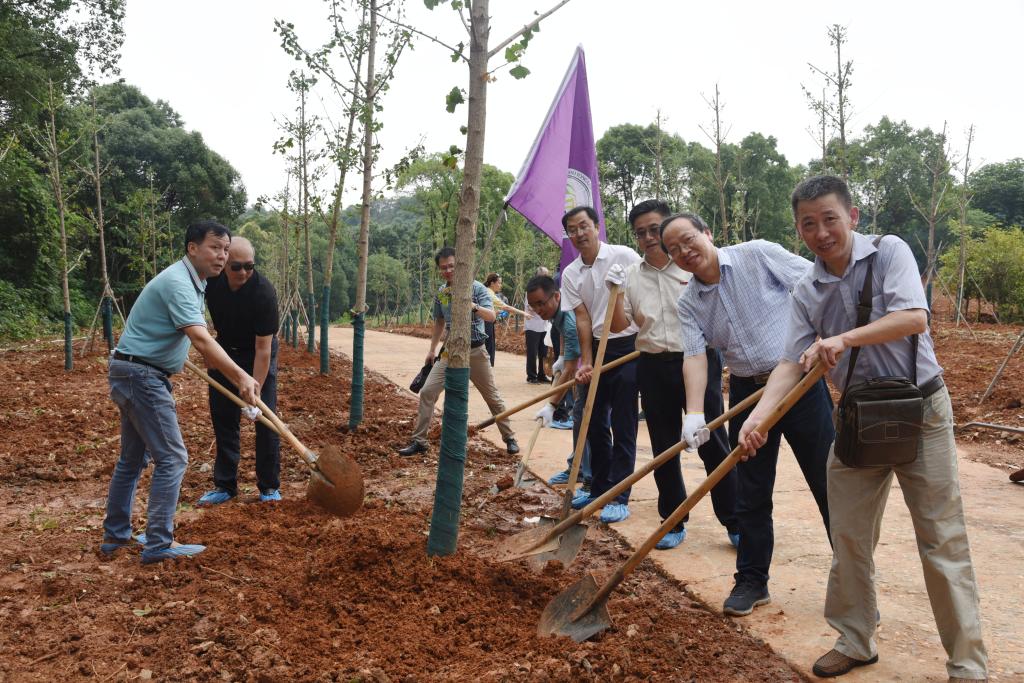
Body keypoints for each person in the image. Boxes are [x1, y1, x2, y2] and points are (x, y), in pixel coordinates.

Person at [739, 175, 988, 681]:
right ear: (798, 229)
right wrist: (759, 416)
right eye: (808, 224)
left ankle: (967, 664)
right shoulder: (806, 290)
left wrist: (843, 338)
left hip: (920, 410)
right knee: (848, 534)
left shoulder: (889, 252)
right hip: (857, 419)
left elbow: (913, 317)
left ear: (852, 217)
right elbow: (789, 363)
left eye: (830, 219)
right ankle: (855, 638)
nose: (821, 232)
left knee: (941, 538)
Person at [664, 211, 833, 616]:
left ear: (707, 233)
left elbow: (817, 285)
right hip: (747, 392)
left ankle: (854, 584)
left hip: (800, 384)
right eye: (674, 249)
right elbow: (694, 357)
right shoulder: (689, 303)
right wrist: (693, 413)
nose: (685, 251)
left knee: (830, 484)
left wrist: (823, 335)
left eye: (688, 239)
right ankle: (752, 581)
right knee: (751, 491)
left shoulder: (757, 255)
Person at [101, 220, 260, 565]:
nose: (222, 256)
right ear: (192, 248)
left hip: (133, 370)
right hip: (142, 376)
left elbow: (192, 337)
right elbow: (200, 338)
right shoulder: (179, 283)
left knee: (132, 459)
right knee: (173, 458)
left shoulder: (193, 282)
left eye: (225, 249)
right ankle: (159, 543)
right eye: (214, 248)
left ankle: (116, 535)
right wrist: (240, 375)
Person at [607, 200, 738, 551]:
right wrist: (614, 294)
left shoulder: (690, 265)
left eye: (655, 229)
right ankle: (673, 519)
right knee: (664, 447)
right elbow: (620, 326)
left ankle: (735, 519)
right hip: (653, 365)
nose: (649, 237)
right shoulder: (632, 275)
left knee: (713, 441)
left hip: (699, 360)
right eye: (641, 233)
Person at [560, 206, 641, 524]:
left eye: (584, 226)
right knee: (592, 420)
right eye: (572, 229)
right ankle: (599, 488)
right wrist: (587, 361)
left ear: (596, 226)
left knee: (623, 422)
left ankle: (619, 495)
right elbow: (582, 319)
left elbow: (641, 296)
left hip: (629, 346)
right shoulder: (571, 273)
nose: (579, 233)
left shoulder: (624, 256)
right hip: (598, 346)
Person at [397, 247, 519, 456]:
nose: (448, 271)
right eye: (443, 268)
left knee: (492, 396)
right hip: (450, 351)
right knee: (427, 392)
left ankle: (509, 437)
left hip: (476, 350)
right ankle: (419, 441)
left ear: (461, 265)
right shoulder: (443, 293)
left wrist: (471, 305)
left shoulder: (477, 289)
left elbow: (491, 317)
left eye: (451, 266)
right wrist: (432, 350)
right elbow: (439, 321)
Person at [197, 237, 281, 505]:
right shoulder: (211, 283)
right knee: (223, 418)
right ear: (224, 263)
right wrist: (209, 354)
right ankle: (225, 485)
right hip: (224, 351)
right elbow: (196, 320)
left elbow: (263, 349)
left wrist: (255, 390)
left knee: (266, 420)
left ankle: (269, 487)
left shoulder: (264, 293)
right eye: (236, 267)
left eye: (249, 266)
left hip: (257, 353)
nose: (243, 272)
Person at [526, 274, 591, 489]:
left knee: (584, 417)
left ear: (556, 296)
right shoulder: (557, 310)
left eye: (541, 303)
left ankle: (586, 474)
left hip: (596, 363)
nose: (538, 310)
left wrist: (551, 405)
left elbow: (570, 369)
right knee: (580, 415)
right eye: (533, 305)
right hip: (582, 359)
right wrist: (561, 355)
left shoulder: (570, 320)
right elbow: (560, 330)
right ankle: (578, 467)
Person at [524, 267, 551, 383]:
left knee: (543, 352)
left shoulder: (547, 291)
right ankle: (531, 376)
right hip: (532, 326)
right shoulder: (531, 290)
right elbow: (531, 307)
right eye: (544, 276)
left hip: (544, 326)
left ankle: (542, 374)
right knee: (532, 352)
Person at [482, 273, 509, 366]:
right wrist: (522, 313)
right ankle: (487, 366)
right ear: (492, 283)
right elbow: (505, 307)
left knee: (489, 345)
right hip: (486, 323)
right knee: (488, 346)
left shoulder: (489, 292)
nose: (500, 285)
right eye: (499, 283)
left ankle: (487, 365)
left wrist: (496, 312)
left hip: (489, 321)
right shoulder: (489, 293)